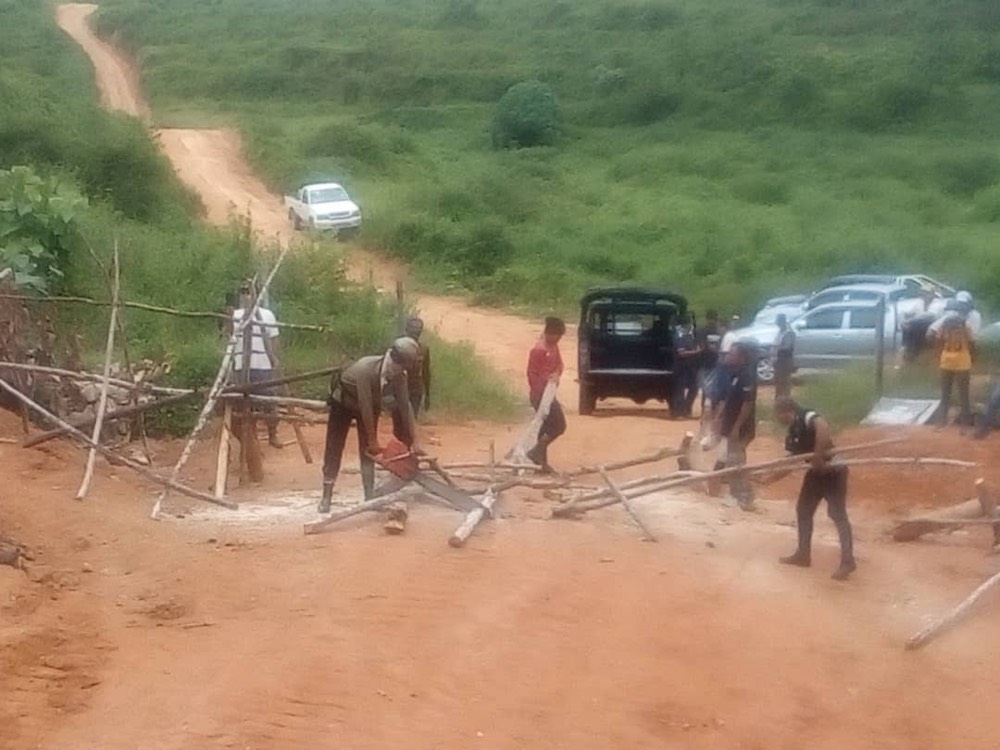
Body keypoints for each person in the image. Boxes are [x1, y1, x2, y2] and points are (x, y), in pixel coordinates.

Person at [318, 337, 422, 514]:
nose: (402, 370)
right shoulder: (365, 369)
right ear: (394, 359)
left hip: (369, 403)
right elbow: (365, 405)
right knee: (334, 447)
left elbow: (405, 406)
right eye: (401, 366)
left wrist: (415, 441)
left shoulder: (399, 375)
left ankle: (368, 496)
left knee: (367, 452)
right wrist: (373, 439)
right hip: (343, 402)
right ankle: (326, 496)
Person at [765, 397, 856, 581]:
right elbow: (792, 461)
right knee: (804, 510)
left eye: (778, 414)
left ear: (786, 411)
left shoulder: (806, 416)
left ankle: (848, 561)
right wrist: (770, 479)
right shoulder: (792, 432)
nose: (777, 419)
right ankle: (803, 554)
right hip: (816, 473)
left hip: (834, 471)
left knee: (837, 514)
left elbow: (823, 429)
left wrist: (817, 455)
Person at [231, 281, 282, 449]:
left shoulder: (267, 315)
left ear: (257, 296)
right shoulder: (234, 315)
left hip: (263, 364)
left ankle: (272, 434)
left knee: (269, 401)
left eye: (250, 293)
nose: (247, 296)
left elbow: (273, 339)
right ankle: (251, 439)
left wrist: (274, 358)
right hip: (240, 365)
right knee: (244, 403)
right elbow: (229, 340)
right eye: (243, 293)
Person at [713, 340, 758, 511]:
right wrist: (719, 417)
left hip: (740, 429)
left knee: (736, 463)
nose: (728, 356)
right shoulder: (735, 374)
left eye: (732, 353)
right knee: (732, 463)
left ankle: (746, 498)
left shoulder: (747, 376)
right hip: (731, 426)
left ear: (741, 357)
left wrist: (737, 427)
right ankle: (736, 496)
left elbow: (747, 405)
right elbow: (728, 400)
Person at [526, 317, 567, 473]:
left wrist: (556, 375)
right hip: (540, 396)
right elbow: (531, 374)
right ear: (550, 333)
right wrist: (540, 395)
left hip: (549, 394)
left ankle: (541, 463)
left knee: (546, 427)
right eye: (558, 335)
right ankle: (536, 452)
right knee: (558, 425)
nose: (559, 339)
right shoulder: (539, 350)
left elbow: (560, 365)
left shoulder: (553, 346)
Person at [927, 310, 975, 427]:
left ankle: (942, 421)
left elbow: (937, 340)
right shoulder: (966, 325)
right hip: (963, 361)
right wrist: (972, 357)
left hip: (946, 361)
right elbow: (972, 342)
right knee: (964, 394)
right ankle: (965, 423)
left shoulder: (944, 324)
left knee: (945, 393)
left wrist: (938, 356)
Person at [695, 309, 723, 416]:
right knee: (707, 388)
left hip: (713, 362)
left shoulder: (717, 331)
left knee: (712, 388)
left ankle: (711, 410)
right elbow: (701, 345)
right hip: (705, 362)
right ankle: (706, 411)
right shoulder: (705, 331)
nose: (712, 321)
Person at [672, 313, 699, 418]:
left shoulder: (689, 335)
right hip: (681, 367)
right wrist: (697, 352)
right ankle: (679, 411)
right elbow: (681, 353)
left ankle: (686, 409)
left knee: (694, 388)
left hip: (690, 367)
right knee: (680, 390)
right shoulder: (679, 335)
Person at [772, 313, 795, 399]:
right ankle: (779, 399)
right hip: (779, 360)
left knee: (784, 381)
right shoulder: (780, 331)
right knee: (778, 381)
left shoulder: (789, 333)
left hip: (785, 361)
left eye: (778, 321)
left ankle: (785, 400)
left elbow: (787, 347)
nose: (777, 324)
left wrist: (777, 348)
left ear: (782, 322)